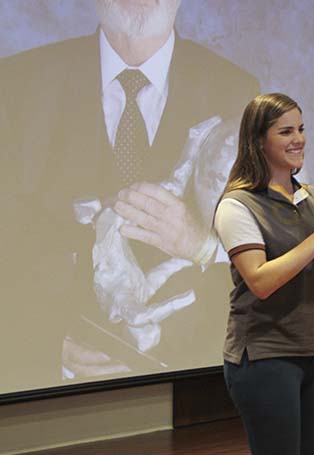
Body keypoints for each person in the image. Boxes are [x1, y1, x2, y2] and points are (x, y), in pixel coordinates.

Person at [0, 0, 259, 384]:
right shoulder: (17, 85)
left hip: (193, 392)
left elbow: (268, 260)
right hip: (49, 396)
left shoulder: (239, 93)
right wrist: (40, 342)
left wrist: (200, 243)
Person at [213, 93, 314, 455]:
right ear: (258, 140)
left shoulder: (313, 197)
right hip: (264, 357)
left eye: (301, 129)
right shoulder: (237, 205)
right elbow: (261, 281)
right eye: (285, 131)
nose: (298, 139)